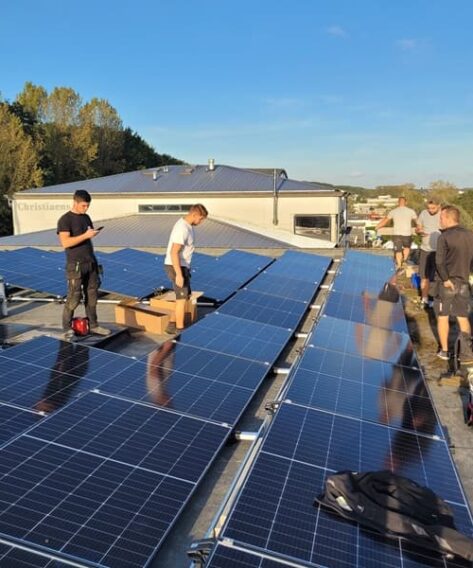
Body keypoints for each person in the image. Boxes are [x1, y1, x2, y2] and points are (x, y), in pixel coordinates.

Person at [57, 190, 110, 339]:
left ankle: (94, 325)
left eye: (87, 206)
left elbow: (86, 238)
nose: (85, 208)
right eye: (83, 205)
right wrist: (85, 235)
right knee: (74, 297)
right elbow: (65, 242)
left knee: (92, 295)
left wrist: (91, 234)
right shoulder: (65, 220)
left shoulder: (86, 217)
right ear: (75, 202)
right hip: (76, 264)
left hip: (90, 262)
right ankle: (67, 328)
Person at [434, 205, 473, 362]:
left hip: (447, 283)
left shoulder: (444, 237)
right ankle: (466, 352)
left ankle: (444, 351)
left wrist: (445, 279)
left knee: (443, 316)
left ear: (449, 218)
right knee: (463, 317)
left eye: (441, 217)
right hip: (464, 282)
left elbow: (439, 262)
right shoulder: (470, 235)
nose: (440, 220)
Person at [164, 203, 208, 334]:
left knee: (183, 297)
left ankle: (172, 323)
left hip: (182, 266)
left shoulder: (186, 226)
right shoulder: (182, 228)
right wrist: (179, 274)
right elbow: (174, 252)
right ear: (194, 214)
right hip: (176, 266)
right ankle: (179, 329)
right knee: (182, 299)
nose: (200, 222)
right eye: (200, 219)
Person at [376, 196, 417, 270]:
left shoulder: (393, 211)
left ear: (398, 203)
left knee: (398, 250)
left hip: (397, 233)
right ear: (406, 202)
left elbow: (385, 221)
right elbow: (417, 221)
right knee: (407, 247)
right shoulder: (411, 211)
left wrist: (377, 226)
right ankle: (404, 260)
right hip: (407, 233)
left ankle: (399, 265)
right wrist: (421, 227)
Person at [416, 199, 441, 307]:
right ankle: (425, 299)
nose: (430, 210)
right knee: (424, 276)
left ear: (439, 206)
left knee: (437, 277)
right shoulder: (423, 213)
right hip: (425, 249)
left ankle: (435, 299)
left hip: (439, 250)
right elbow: (418, 227)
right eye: (428, 208)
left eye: (433, 208)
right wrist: (419, 231)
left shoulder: (443, 214)